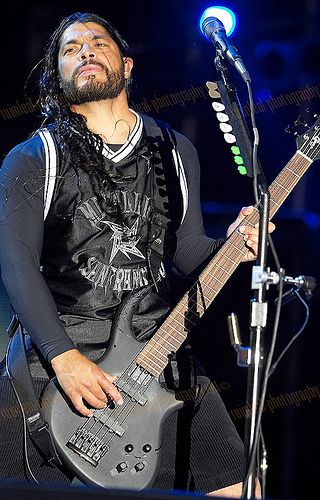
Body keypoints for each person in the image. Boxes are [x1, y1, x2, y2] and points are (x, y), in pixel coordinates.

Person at [0, 12, 274, 497]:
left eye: (96, 42)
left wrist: (234, 247)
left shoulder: (174, 148)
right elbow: (15, 261)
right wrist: (64, 358)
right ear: (58, 78)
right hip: (63, 349)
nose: (84, 50)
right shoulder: (32, 158)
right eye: (69, 49)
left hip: (157, 353)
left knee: (242, 485)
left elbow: (187, 253)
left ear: (126, 66)